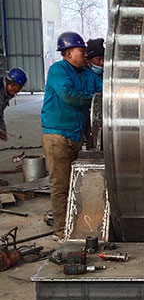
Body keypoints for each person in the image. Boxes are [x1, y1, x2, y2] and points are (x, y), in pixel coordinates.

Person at [41, 32, 102, 241]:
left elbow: (106, 91)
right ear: (68, 53)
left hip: (78, 136)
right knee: (61, 185)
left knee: (78, 185)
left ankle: (76, 227)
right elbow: (69, 97)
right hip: (57, 135)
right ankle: (60, 231)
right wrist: (94, 98)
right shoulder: (58, 70)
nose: (85, 54)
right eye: (81, 50)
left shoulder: (88, 75)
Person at [0, 68, 28, 141]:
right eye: (19, 88)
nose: (18, 91)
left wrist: (2, 129)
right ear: (13, 84)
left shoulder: (7, 94)